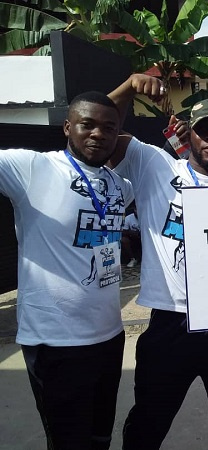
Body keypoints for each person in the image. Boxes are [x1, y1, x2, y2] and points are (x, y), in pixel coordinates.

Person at [107, 74, 208, 450]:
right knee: (149, 419)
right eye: (204, 131)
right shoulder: (155, 167)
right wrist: (127, 87)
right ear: (189, 135)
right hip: (170, 321)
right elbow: (103, 128)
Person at [0, 92, 134, 449]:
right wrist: (128, 84)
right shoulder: (31, 168)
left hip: (109, 335)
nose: (98, 134)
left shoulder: (118, 185)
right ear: (66, 127)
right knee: (68, 441)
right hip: (56, 341)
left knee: (100, 435)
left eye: (109, 128)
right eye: (86, 124)